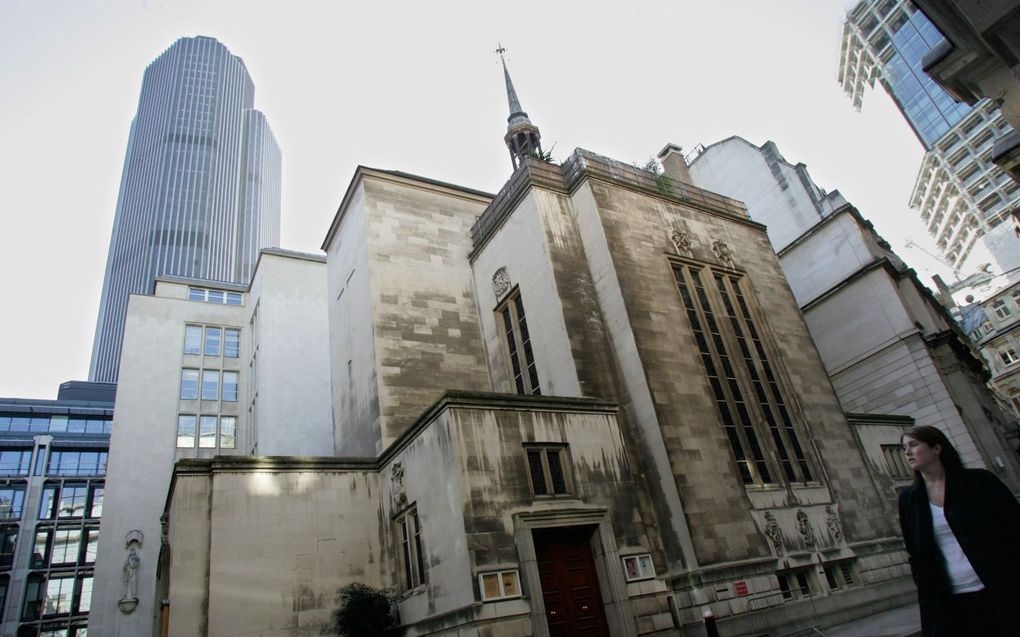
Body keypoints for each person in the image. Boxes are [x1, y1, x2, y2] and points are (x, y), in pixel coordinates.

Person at [897, 425, 1020, 637]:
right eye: (904, 447)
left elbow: (1014, 528)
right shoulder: (909, 499)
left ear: (937, 448)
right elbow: (915, 552)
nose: (907, 452)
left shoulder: (981, 481)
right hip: (951, 600)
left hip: (999, 589)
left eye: (914, 445)